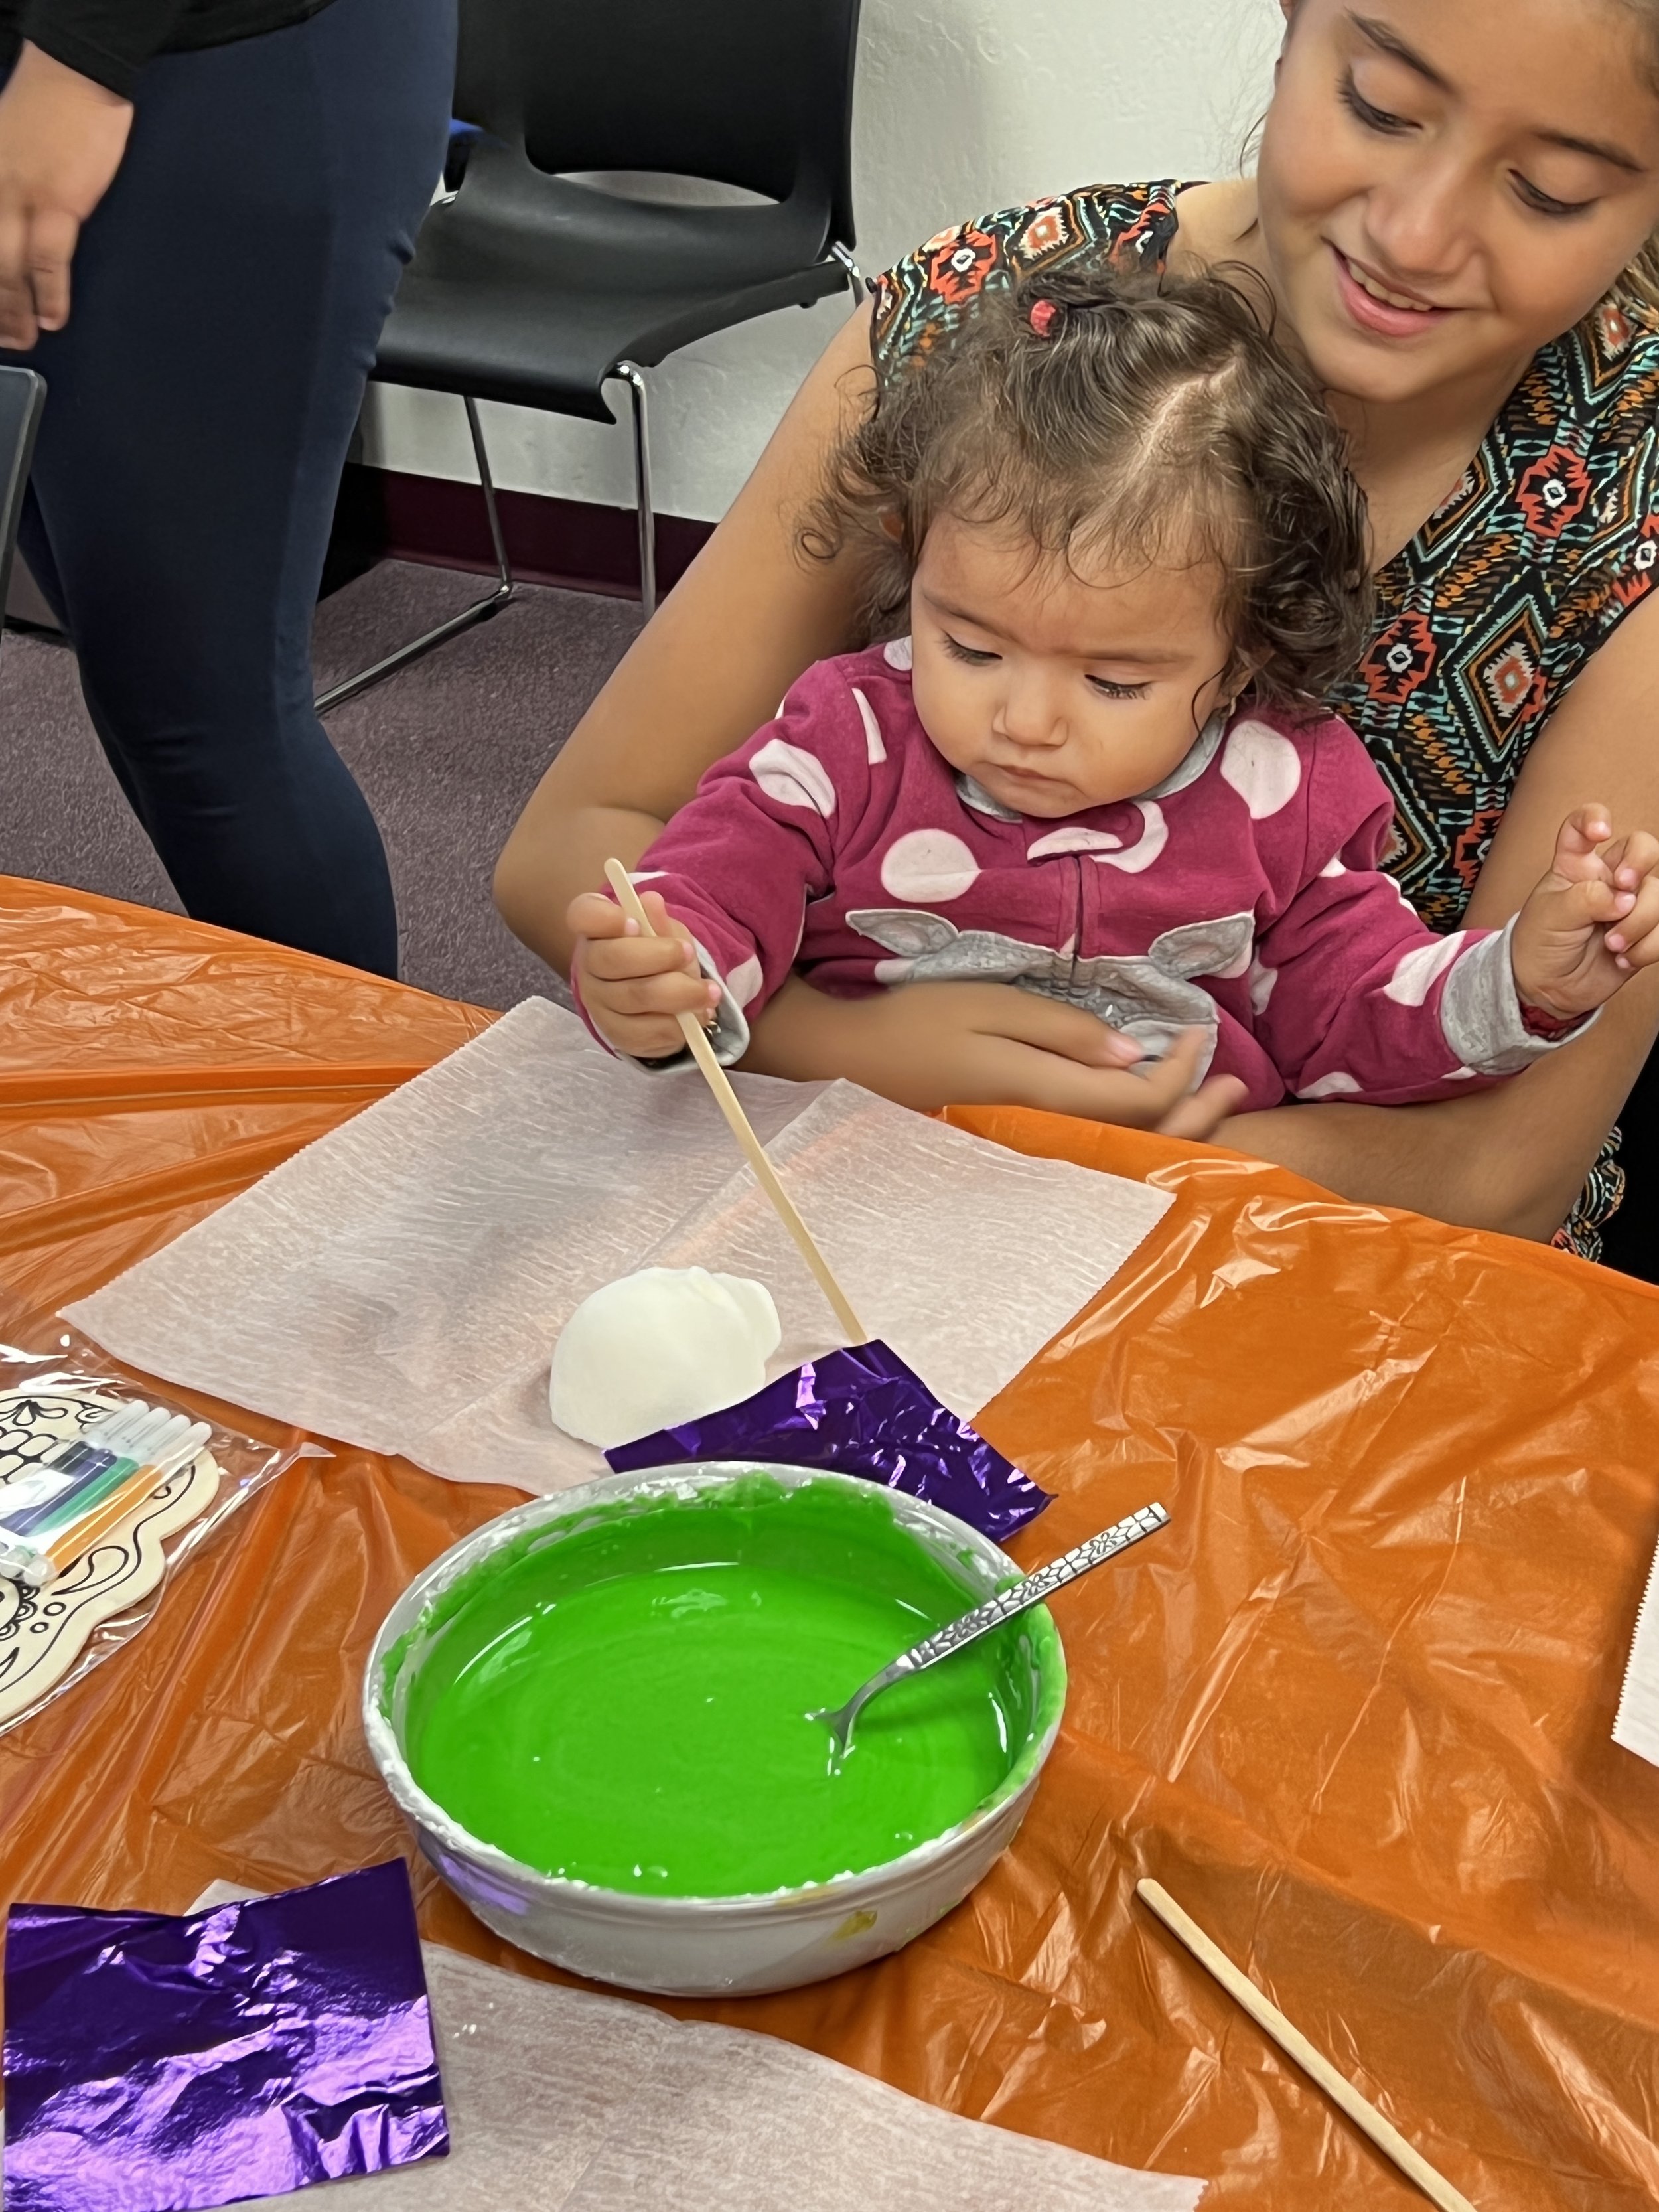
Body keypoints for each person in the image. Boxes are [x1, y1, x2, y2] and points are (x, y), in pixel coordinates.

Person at [496, 0, 1659, 1268]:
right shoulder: (983, 323)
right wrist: (849, 1046)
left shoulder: (1621, 494)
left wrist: (1061, 1151)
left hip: (1321, 1250)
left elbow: (1494, 1171)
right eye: (1378, 106)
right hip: (839, 1173)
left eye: (1548, 192)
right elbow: (575, 850)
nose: (1417, 235)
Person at [571, 273, 1659, 1132]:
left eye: (1113, 681)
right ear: (917, 564)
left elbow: (1353, 1018)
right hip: (855, 1167)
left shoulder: (1283, 790)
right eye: (970, 643)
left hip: (1155, 1231)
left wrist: (1520, 976)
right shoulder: (848, 735)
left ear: (1241, 656)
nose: (1029, 721)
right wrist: (666, 971)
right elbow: (713, 882)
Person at [0, 0, 455, 977]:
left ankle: (369, 1113)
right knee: (128, 654)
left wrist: (82, 56)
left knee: (202, 711)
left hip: (208, 54)